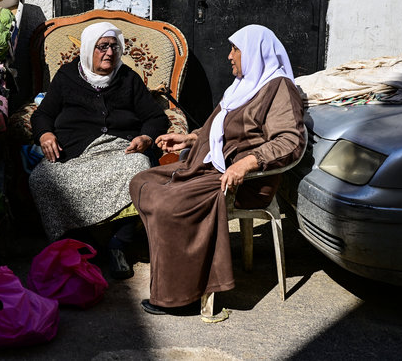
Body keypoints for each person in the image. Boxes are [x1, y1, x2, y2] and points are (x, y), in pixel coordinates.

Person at [129, 24, 305, 315]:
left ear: (254, 51)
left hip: (243, 181)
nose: (229, 56)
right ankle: (177, 274)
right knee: (142, 182)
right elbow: (218, 127)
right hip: (209, 165)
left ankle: (184, 296)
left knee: (168, 202)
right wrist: (188, 138)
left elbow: (290, 140)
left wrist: (247, 163)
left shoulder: (278, 88)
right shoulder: (242, 86)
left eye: (235, 49)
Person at [29, 21, 169, 279]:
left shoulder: (128, 78)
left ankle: (118, 244)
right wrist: (45, 133)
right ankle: (82, 244)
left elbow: (156, 117)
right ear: (88, 49)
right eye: (102, 47)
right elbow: (43, 115)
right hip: (75, 152)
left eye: (114, 47)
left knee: (139, 169)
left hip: (119, 148)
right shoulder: (67, 77)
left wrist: (146, 138)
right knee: (41, 179)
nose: (109, 53)